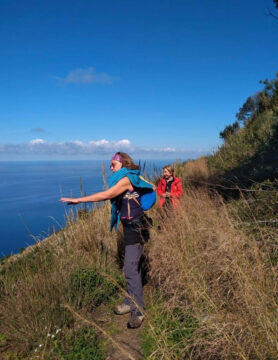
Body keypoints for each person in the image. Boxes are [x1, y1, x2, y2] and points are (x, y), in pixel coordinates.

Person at [60, 152, 155, 329]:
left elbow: (106, 195)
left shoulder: (127, 179)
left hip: (136, 228)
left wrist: (78, 200)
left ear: (123, 164)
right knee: (132, 267)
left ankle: (138, 310)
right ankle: (131, 300)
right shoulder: (131, 176)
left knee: (129, 268)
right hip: (130, 227)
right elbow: (149, 186)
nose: (110, 168)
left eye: (113, 164)